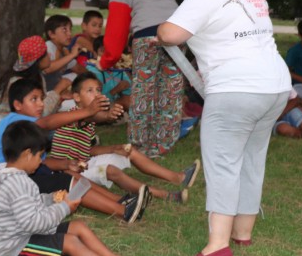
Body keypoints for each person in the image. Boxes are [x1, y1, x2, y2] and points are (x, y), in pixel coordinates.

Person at [157, 0, 291, 256]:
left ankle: (217, 246)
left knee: (223, 163)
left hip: (236, 89)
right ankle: (242, 232)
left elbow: (171, 33)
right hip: (274, 86)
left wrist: (159, 30)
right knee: (251, 157)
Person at [0, 120, 161, 256]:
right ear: (27, 154)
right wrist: (64, 208)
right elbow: (33, 223)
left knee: (78, 227)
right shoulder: (19, 183)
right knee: (70, 242)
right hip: (16, 247)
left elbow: (28, 206)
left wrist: (51, 198)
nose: (41, 161)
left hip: (25, 232)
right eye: (39, 156)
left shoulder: (8, 177)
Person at [0, 78, 149, 223]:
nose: (41, 104)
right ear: (17, 105)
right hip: (3, 186)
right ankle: (124, 212)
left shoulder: (30, 132)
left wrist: (66, 163)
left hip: (20, 178)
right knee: (65, 183)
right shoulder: (15, 120)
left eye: (41, 98)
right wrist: (87, 111)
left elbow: (39, 162)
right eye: (34, 99)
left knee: (69, 175)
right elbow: (46, 123)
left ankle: (121, 201)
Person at [48, 73, 199, 203]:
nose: (97, 94)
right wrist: (107, 115)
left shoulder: (89, 118)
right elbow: (94, 117)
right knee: (110, 170)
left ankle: (178, 177)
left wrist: (113, 148)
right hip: (66, 172)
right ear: (76, 97)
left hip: (83, 163)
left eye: (98, 90)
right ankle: (166, 196)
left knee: (129, 150)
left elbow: (87, 149)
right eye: (90, 91)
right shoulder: (72, 114)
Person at [101, 0, 183, 157]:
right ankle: (164, 144)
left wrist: (107, 60)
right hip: (176, 34)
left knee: (143, 90)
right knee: (170, 89)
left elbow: (116, 32)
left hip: (146, 37)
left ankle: (139, 146)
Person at [0, 36, 69, 146]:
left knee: (63, 127)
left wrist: (58, 99)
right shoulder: (18, 82)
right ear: (38, 60)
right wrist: (58, 90)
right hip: (3, 125)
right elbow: (41, 112)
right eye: (46, 54)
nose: (49, 56)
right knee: (58, 134)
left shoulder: (37, 76)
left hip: (22, 122)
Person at [85, 35, 132, 109]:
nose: (106, 55)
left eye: (110, 52)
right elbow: (93, 100)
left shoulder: (119, 69)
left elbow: (128, 92)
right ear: (95, 53)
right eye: (103, 51)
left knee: (130, 100)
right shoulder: (91, 70)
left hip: (114, 103)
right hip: (97, 106)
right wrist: (115, 90)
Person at [43, 14, 81, 91]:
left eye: (70, 29)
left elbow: (78, 68)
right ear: (51, 34)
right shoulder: (48, 46)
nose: (70, 34)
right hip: (44, 95)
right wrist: (72, 55)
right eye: (64, 30)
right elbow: (47, 68)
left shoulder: (63, 50)